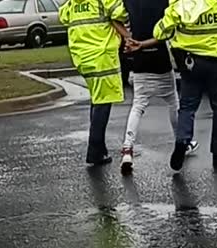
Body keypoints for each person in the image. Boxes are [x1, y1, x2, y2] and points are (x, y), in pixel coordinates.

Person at [152, 0, 217, 170]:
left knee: (187, 107)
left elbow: (159, 32)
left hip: (190, 63)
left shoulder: (179, 6)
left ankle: (182, 141)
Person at [119, 0, 199, 174]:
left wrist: (128, 38)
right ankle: (183, 142)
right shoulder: (164, 1)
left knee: (138, 105)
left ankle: (127, 148)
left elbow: (114, 18)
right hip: (159, 56)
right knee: (173, 102)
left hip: (139, 57)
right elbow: (168, 31)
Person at [59, 0, 131, 166]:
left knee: (97, 100)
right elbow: (122, 13)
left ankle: (99, 148)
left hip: (82, 56)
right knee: (103, 103)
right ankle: (95, 151)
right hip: (101, 56)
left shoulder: (73, 3)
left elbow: (63, 16)